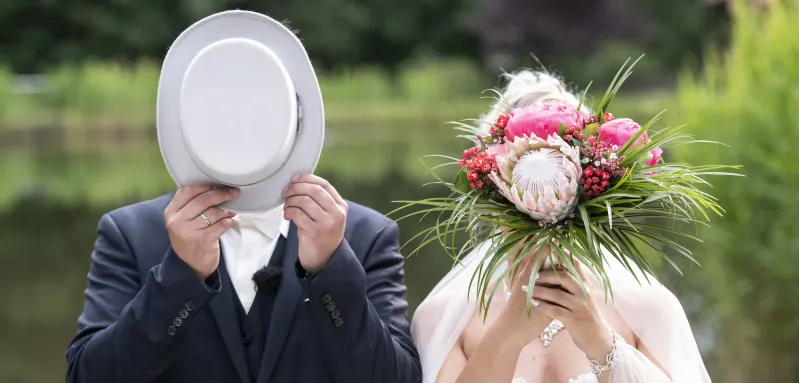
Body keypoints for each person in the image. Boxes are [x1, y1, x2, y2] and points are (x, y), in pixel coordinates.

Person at [410, 71, 712, 383]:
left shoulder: (650, 309)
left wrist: (600, 342)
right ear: (493, 191)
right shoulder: (442, 320)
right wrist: (507, 335)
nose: (543, 224)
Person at [65, 175, 422, 382]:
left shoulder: (365, 233)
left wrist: (330, 268)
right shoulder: (130, 232)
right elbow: (87, 376)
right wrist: (182, 275)